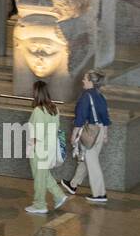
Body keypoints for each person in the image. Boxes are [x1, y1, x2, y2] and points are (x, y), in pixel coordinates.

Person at [61, 70, 111, 203]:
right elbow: (105, 116)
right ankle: (73, 184)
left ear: (90, 82)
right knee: (86, 159)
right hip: (99, 131)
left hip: (90, 132)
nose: (82, 81)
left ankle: (100, 194)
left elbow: (80, 118)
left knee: (92, 163)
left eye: (84, 79)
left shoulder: (86, 96)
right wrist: (105, 133)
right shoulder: (100, 96)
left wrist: (74, 135)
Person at [26, 80, 70, 216]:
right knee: (44, 175)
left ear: (36, 93)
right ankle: (59, 195)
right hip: (50, 148)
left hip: (39, 149)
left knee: (39, 177)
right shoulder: (54, 109)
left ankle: (40, 204)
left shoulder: (38, 111)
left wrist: (29, 149)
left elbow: (36, 135)